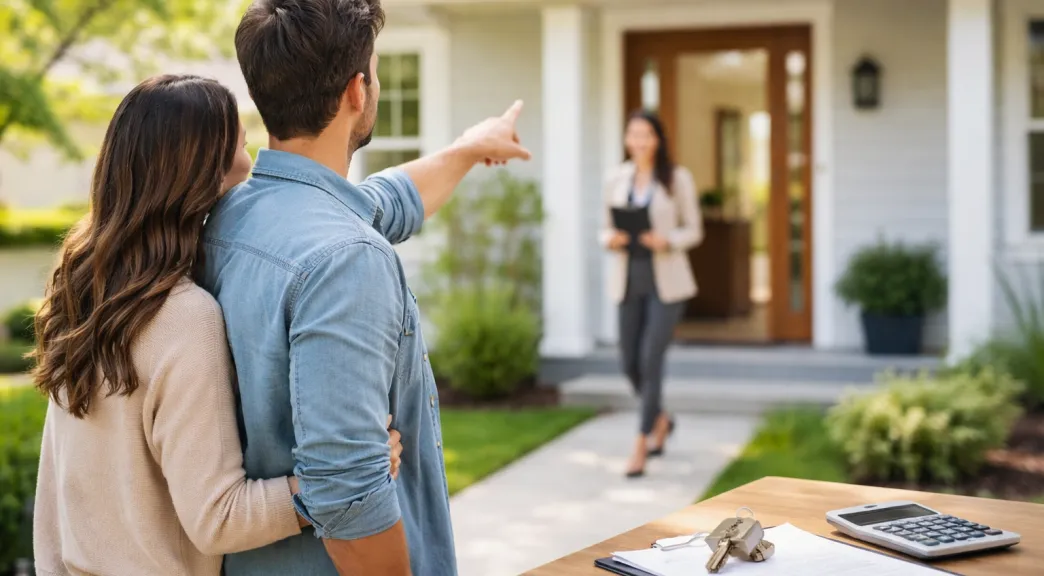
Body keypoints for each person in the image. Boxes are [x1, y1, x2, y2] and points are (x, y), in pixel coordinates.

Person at [195, 1, 531, 574]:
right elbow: (348, 500)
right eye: (374, 72)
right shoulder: (346, 258)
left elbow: (385, 201)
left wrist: (471, 146)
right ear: (358, 91)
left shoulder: (234, 218)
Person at [30, 74, 405, 576]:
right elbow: (218, 518)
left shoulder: (81, 287)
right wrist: (337, 485)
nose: (253, 159)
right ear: (205, 174)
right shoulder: (183, 316)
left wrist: (466, 151)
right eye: (240, 143)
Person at [601, 110, 703, 479]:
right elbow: (605, 228)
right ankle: (661, 420)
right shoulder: (616, 177)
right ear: (627, 139)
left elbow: (694, 229)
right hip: (629, 277)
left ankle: (641, 443)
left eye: (646, 135)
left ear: (657, 139)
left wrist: (667, 240)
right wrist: (611, 239)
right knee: (629, 362)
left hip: (667, 281)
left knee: (651, 359)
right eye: (633, 135)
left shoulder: (677, 179)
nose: (639, 142)